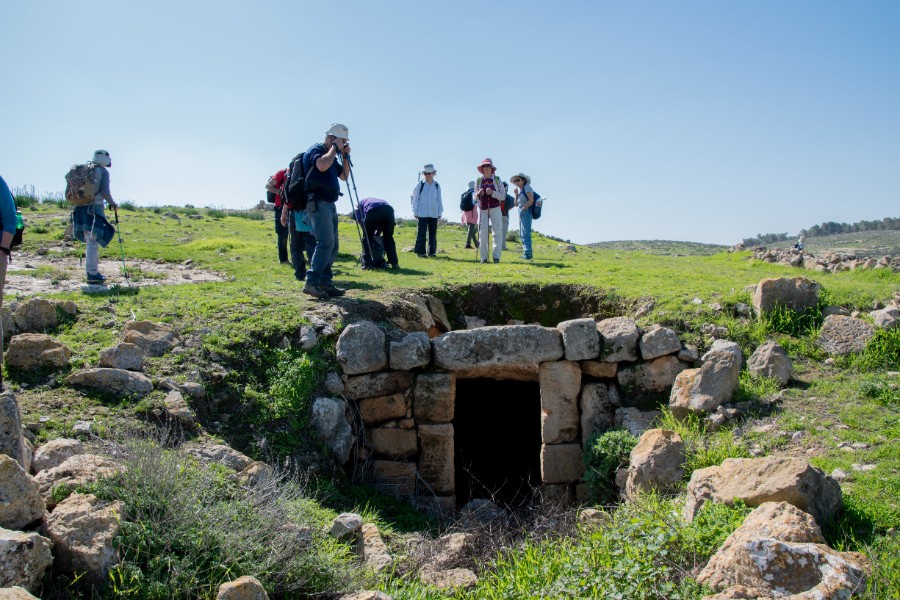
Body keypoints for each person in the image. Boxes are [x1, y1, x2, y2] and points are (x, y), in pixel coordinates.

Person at [301, 124, 352, 299]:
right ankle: (312, 282)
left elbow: (344, 176)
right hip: (318, 202)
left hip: (329, 203)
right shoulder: (317, 150)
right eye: (341, 140)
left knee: (333, 245)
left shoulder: (333, 157)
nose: (343, 143)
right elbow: (321, 166)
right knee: (325, 242)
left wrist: (345, 156)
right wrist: (334, 149)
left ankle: (325, 282)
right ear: (331, 138)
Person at [72, 150, 118, 284]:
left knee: (89, 240)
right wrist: (113, 204)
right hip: (94, 208)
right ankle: (92, 273)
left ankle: (91, 271)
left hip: (80, 208)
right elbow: (105, 192)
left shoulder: (86, 169)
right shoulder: (103, 172)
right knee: (93, 241)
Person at [352, 197, 399, 269]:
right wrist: (376, 235)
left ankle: (367, 264)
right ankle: (394, 263)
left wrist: (367, 232)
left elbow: (362, 224)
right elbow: (380, 226)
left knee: (367, 239)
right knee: (389, 238)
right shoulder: (371, 201)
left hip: (373, 210)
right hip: (389, 210)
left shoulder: (357, 209)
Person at [474, 158, 505, 263]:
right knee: (483, 233)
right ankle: (484, 258)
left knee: (497, 232)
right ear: (482, 169)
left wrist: (493, 193)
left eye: (488, 166)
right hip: (482, 209)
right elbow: (474, 197)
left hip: (495, 208)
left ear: (491, 168)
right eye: (484, 167)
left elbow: (503, 196)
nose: (486, 168)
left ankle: (496, 257)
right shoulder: (478, 180)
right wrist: (479, 193)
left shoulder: (497, 180)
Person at [411, 164, 443, 258]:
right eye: (426, 173)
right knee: (422, 232)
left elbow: (439, 199)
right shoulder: (420, 185)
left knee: (433, 233)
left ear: (434, 173)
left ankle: (432, 252)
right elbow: (415, 199)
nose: (428, 175)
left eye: (430, 173)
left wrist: (439, 212)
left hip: (433, 213)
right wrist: (415, 212)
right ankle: (421, 252)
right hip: (422, 212)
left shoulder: (437, 185)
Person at [281, 202, 316, 282]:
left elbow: (288, 198)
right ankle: (314, 275)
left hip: (294, 213)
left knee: (296, 247)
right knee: (312, 246)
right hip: (309, 212)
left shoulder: (292, 189)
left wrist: (283, 213)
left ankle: (299, 274)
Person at [265, 168, 290, 264]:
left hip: (292, 208)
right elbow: (268, 185)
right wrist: (280, 192)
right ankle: (283, 259)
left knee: (296, 234)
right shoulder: (282, 173)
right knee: (283, 234)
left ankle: (298, 258)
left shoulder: (299, 174)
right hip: (280, 207)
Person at [510, 173, 536, 260]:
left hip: (526, 211)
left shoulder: (527, 187)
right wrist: (516, 194)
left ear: (523, 181)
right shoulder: (520, 191)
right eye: (514, 181)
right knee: (522, 234)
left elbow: (531, 199)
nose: (516, 182)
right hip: (521, 212)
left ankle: (528, 253)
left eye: (518, 180)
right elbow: (515, 204)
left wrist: (525, 207)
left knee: (525, 233)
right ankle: (526, 252)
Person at [461, 181, 479, 249]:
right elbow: (475, 202)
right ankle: (467, 244)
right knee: (471, 228)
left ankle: (476, 244)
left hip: (465, 212)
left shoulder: (465, 193)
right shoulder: (473, 193)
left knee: (470, 229)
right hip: (472, 212)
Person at [500, 182, 514, 250]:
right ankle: (503, 246)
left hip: (496, 215)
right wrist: (508, 209)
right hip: (505, 215)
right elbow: (515, 203)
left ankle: (496, 246)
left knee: (496, 232)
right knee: (504, 232)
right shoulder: (508, 197)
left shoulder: (497, 195)